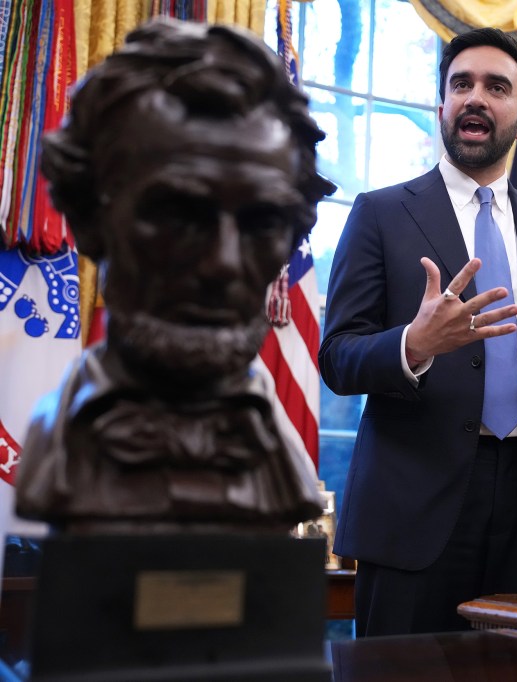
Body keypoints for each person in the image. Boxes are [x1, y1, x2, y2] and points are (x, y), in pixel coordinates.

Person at [319, 27, 517, 636]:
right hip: (413, 508)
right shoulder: (380, 214)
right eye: (460, 84)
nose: (475, 98)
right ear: (441, 108)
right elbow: (337, 358)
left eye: (496, 87)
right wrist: (413, 345)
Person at [16, 18, 336, 531]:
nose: (223, 264)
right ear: (90, 219)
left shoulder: (281, 460)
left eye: (261, 223)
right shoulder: (59, 447)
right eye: (177, 216)